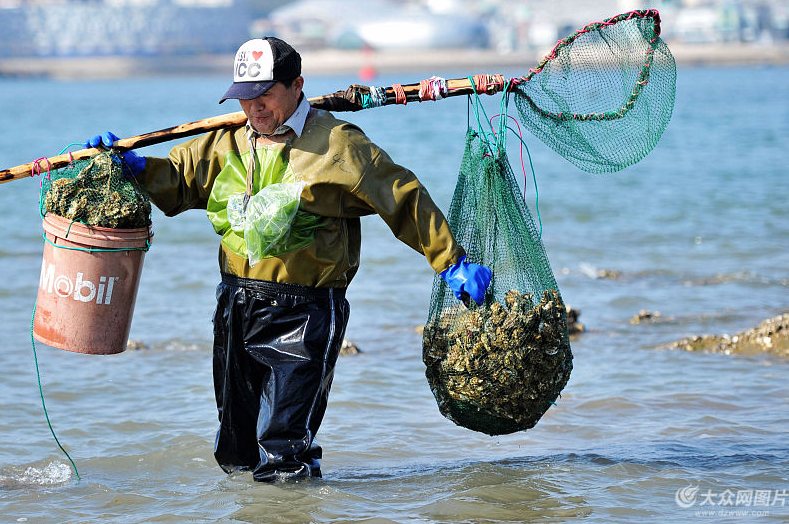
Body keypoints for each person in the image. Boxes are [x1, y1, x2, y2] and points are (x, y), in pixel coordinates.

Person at [87, 37, 491, 482]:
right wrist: (138, 168)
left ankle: (291, 507)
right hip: (237, 304)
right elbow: (181, 181)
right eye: (244, 98)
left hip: (305, 312)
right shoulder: (228, 140)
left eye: (265, 96)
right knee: (236, 443)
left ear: (297, 86)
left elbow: (401, 199)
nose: (254, 109)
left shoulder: (338, 145)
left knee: (283, 445)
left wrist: (451, 261)